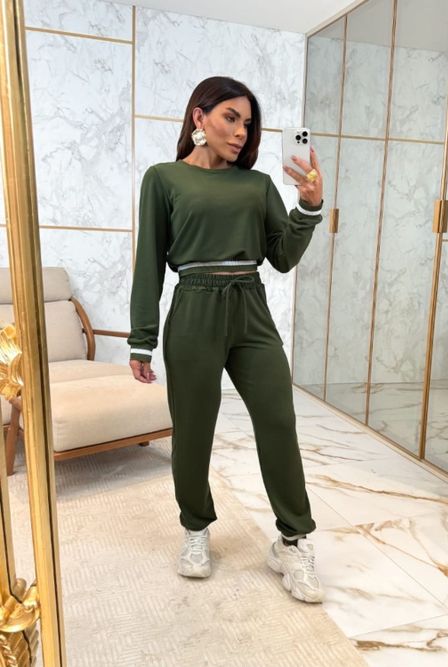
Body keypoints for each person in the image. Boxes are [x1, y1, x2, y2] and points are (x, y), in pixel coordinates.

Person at [127, 76, 325, 603]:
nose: (241, 132)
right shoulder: (164, 178)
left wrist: (308, 207)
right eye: (230, 118)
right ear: (200, 117)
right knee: (194, 429)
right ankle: (196, 528)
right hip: (193, 306)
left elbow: (281, 257)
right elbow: (149, 261)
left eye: (247, 123)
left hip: (250, 307)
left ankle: (292, 541)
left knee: (279, 420)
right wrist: (141, 339)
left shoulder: (256, 184)